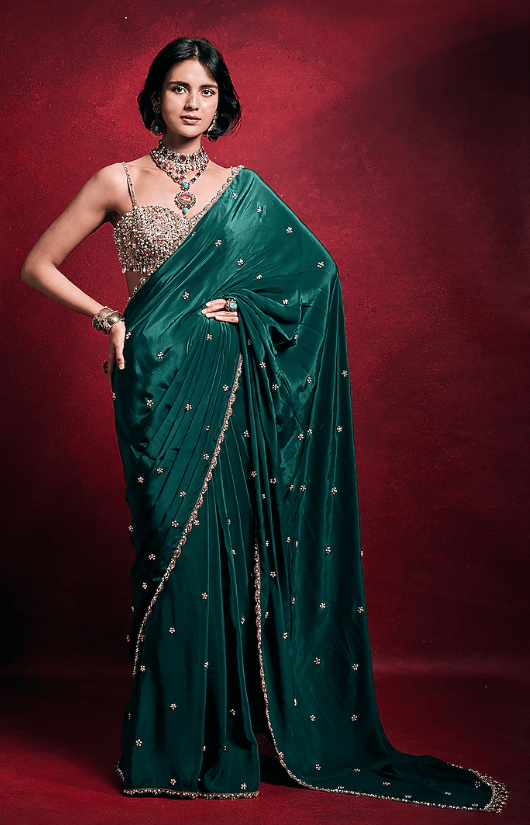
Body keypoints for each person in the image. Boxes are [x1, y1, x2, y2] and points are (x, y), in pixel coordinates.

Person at [21, 36, 508, 810]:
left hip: (225, 392)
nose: (192, 103)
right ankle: (167, 747)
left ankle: (221, 742)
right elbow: (36, 264)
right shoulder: (118, 180)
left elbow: (317, 276)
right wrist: (107, 316)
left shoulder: (241, 190)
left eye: (207, 91)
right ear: (155, 97)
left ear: (222, 103)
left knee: (219, 557)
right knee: (168, 555)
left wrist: (246, 311)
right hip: (153, 388)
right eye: (179, 88)